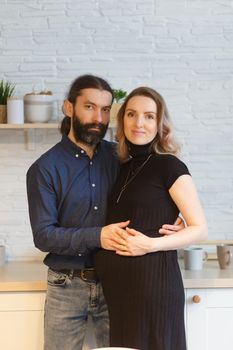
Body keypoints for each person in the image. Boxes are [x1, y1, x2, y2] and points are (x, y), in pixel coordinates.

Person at [26, 75, 185, 350]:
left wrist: (175, 218)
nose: (98, 117)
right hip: (66, 285)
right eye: (89, 107)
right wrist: (98, 236)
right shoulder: (44, 169)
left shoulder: (121, 157)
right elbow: (43, 235)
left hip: (118, 285)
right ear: (69, 108)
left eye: (104, 109)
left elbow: (153, 191)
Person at [95, 86, 208, 350]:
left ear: (160, 124)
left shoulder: (170, 166)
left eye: (148, 116)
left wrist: (150, 244)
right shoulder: (121, 167)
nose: (139, 123)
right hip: (120, 294)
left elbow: (200, 228)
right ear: (122, 120)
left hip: (153, 290)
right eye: (132, 114)